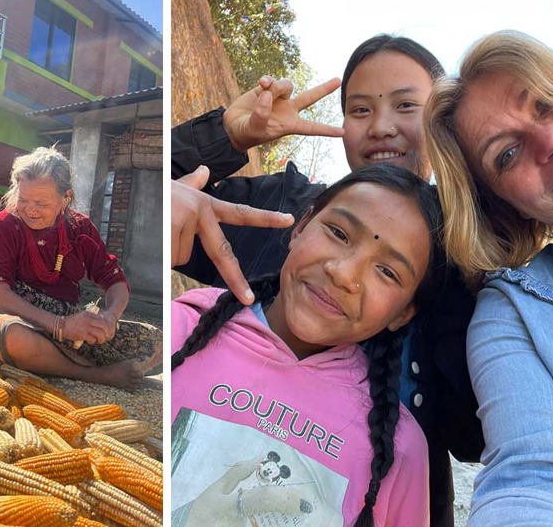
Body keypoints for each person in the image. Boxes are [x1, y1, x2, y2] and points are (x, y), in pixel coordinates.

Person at [172, 34, 483, 527]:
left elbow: (476, 438)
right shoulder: (280, 210)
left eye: (406, 105)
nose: (381, 127)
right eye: (359, 110)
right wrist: (230, 136)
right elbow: (159, 197)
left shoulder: (467, 258)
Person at [173, 165, 446, 527]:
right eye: (338, 233)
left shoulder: (402, 449)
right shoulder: (183, 330)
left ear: (403, 313)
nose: (344, 274)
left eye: (388, 272)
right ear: (300, 228)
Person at [424, 30, 553, 526]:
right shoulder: (516, 313)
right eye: (507, 154)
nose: (551, 142)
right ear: (505, 205)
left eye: (546, 102)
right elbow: (530, 479)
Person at [0, 147, 159, 391]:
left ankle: (50, 358)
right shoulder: (6, 224)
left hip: (68, 325)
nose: (30, 210)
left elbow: (114, 280)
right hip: (10, 317)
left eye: (41, 202)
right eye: (23, 199)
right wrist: (58, 325)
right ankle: (93, 374)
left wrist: (110, 316)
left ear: (65, 198)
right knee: (12, 337)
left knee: (155, 342)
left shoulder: (80, 228)